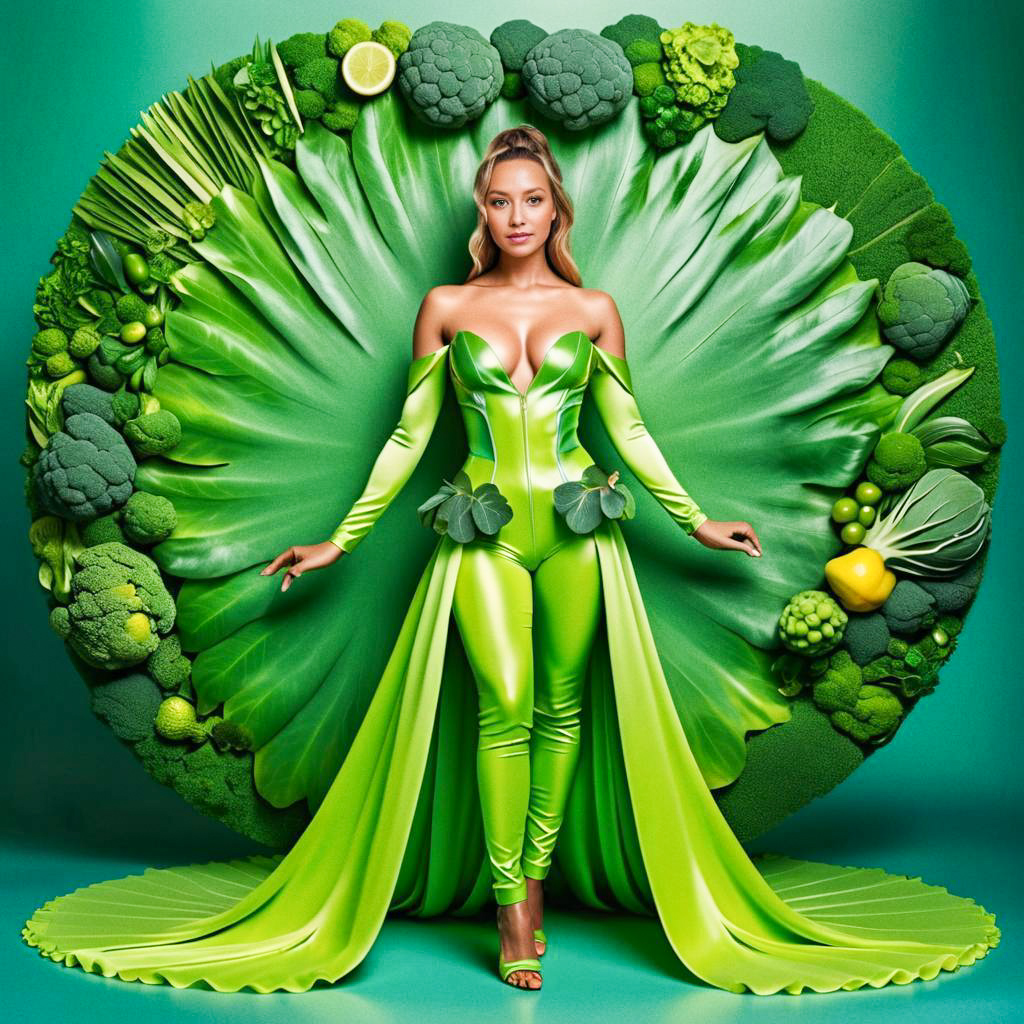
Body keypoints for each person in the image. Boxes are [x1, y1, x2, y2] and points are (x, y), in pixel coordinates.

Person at [21, 125, 999, 995]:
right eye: (501, 199)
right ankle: (511, 907)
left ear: (553, 209)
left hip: (580, 525)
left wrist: (693, 517)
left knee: (564, 706)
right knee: (505, 703)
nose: (518, 213)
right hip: (481, 524)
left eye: (533, 198)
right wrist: (341, 538)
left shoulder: (595, 310)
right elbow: (407, 440)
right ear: (483, 212)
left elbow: (628, 430)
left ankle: (532, 871)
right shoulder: (444, 307)